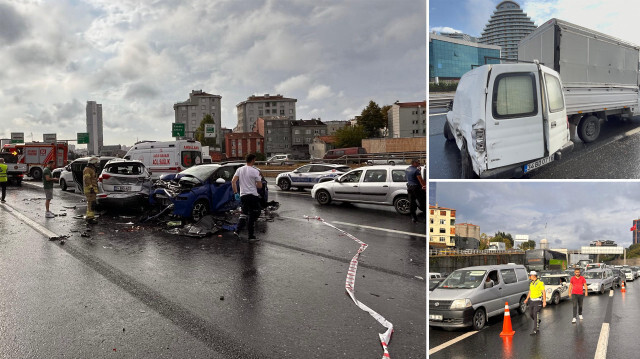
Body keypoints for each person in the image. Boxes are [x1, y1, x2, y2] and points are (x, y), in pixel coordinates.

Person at [231, 154, 263, 243]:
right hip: (252, 195)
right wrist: (257, 180)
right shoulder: (255, 171)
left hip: (243, 195)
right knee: (252, 215)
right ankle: (251, 236)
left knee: (244, 213)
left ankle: (237, 231)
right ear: (253, 160)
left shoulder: (240, 169)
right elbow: (260, 186)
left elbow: (233, 181)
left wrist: (235, 193)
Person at [524, 271, 546, 335]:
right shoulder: (531, 283)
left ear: (533, 276)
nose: (529, 277)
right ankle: (538, 321)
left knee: (535, 313)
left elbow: (543, 292)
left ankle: (535, 330)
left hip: (538, 301)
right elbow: (530, 291)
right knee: (531, 314)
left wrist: (544, 301)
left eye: (530, 275)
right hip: (531, 301)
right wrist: (527, 299)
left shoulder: (540, 283)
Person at [405, 158, 426, 223]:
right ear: (414, 163)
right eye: (418, 163)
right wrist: (425, 186)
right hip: (416, 187)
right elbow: (420, 180)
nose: (419, 164)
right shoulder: (416, 171)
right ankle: (426, 217)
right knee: (422, 201)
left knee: (412, 202)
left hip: (409, 187)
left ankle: (414, 217)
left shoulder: (407, 169)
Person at [83, 157, 99, 224]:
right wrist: (91, 188)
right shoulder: (87, 169)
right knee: (91, 204)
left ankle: (90, 217)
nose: (96, 164)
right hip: (90, 190)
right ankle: (90, 218)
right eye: (96, 163)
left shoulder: (91, 169)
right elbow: (87, 179)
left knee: (91, 204)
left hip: (92, 190)